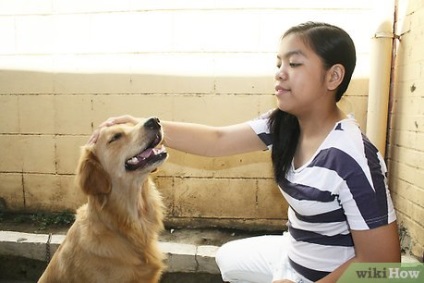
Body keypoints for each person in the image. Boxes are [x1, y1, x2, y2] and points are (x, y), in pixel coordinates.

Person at [90, 22, 401, 283]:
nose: (280, 73)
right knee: (228, 258)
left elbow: (385, 266)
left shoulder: (352, 158)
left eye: (294, 63)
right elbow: (218, 140)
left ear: (333, 77)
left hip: (330, 275)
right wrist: (142, 125)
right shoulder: (284, 124)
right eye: (279, 63)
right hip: (292, 254)